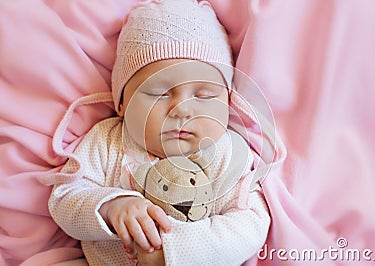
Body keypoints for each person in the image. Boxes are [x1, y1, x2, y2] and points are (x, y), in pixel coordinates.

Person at [48, 0, 270, 265]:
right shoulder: (107, 141)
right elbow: (64, 198)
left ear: (228, 103)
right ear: (121, 103)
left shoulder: (226, 153)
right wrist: (109, 207)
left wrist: (174, 252)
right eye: (159, 93)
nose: (182, 110)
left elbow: (251, 223)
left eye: (204, 95)